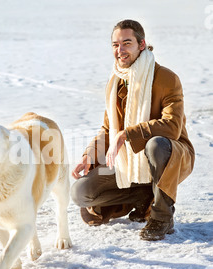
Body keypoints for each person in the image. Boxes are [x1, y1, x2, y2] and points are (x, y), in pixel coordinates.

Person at [71, 19, 195, 241]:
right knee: (81, 192)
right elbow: (107, 129)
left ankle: (161, 217)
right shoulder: (116, 81)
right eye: (115, 45)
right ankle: (145, 195)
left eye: (126, 43)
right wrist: (89, 154)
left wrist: (127, 134)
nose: (120, 50)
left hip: (170, 154)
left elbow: (173, 127)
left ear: (141, 44)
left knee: (156, 144)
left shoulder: (166, 78)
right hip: (129, 162)